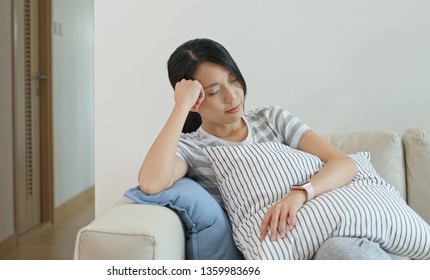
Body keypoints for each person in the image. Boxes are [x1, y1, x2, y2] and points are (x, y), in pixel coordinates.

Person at [138, 38, 391, 260]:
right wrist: (180, 107)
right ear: (195, 101)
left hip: (335, 226)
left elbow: (344, 163)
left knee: (349, 251)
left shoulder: (271, 119)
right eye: (214, 91)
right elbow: (151, 182)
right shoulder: (193, 148)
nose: (232, 96)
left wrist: (299, 195)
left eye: (234, 80)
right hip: (282, 250)